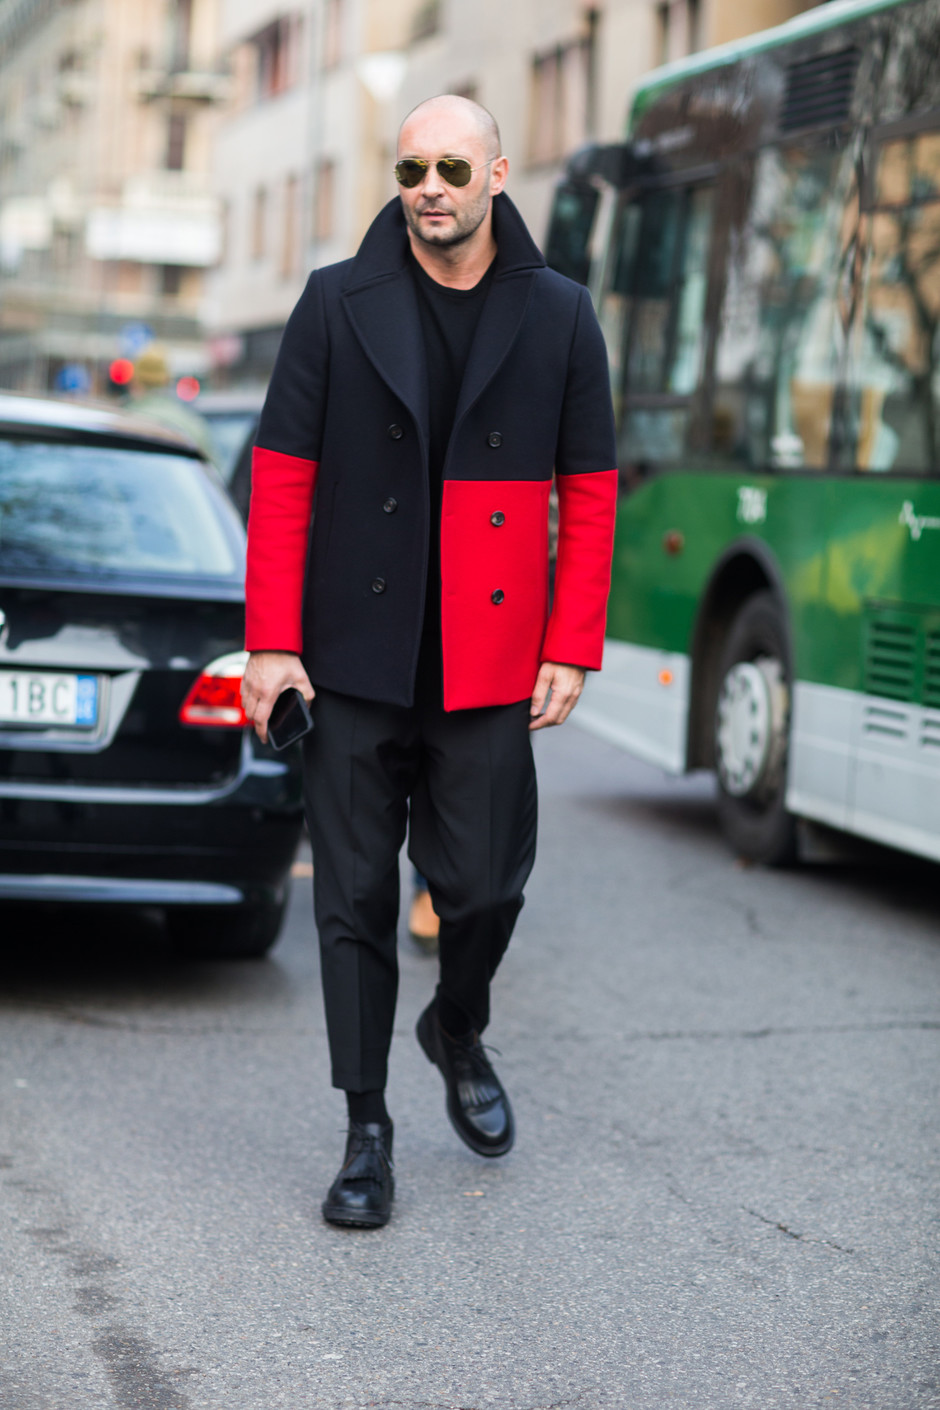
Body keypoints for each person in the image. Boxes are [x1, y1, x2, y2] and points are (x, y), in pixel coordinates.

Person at [240, 95, 617, 1229]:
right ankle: (367, 1131)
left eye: (453, 166)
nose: (430, 187)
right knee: (353, 905)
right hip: (351, 659)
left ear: (496, 173)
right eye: (412, 169)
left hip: (487, 660)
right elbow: (283, 481)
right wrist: (271, 645)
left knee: (487, 885)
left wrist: (571, 644)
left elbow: (589, 493)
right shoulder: (332, 301)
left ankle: (456, 1025)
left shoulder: (560, 313)